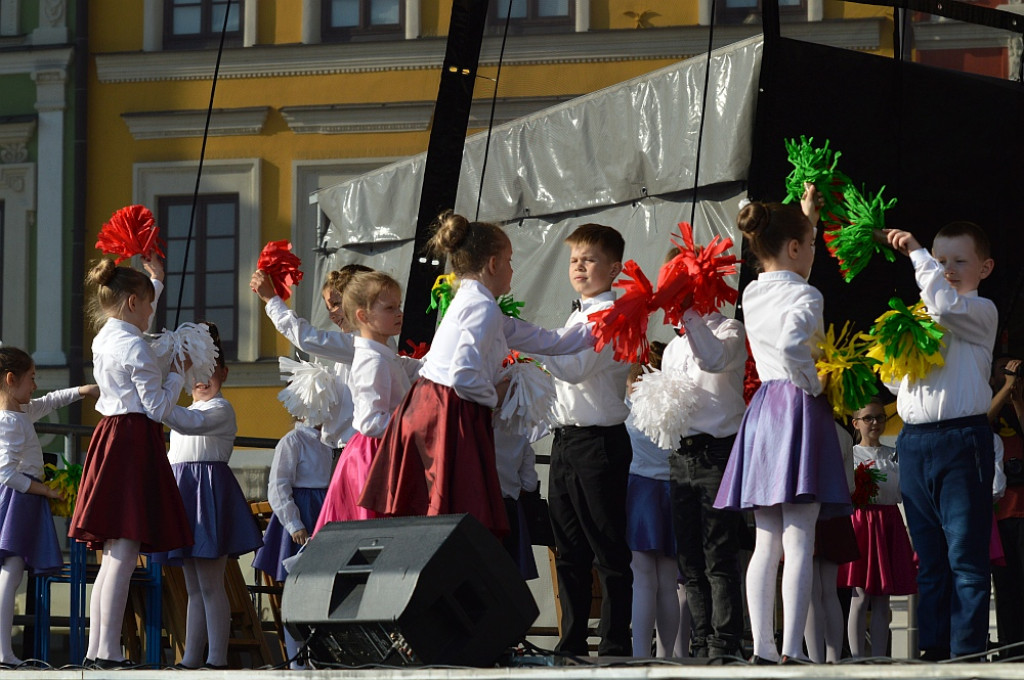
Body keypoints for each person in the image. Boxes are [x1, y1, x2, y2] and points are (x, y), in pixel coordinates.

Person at [359, 210, 595, 538]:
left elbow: (544, 340)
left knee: (448, 517)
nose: (513, 268)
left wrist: (597, 328)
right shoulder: (480, 308)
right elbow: (462, 376)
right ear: (493, 264)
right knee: (455, 520)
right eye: (510, 260)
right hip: (447, 412)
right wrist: (496, 395)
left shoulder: (475, 302)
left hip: (436, 407)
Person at [714, 187, 852, 664]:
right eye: (812, 244)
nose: (815, 253)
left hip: (765, 408)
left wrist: (805, 217)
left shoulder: (752, 291)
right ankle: (793, 648)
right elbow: (796, 345)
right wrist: (816, 383)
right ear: (794, 248)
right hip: (797, 405)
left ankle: (764, 648)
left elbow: (787, 261)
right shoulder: (807, 293)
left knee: (766, 539)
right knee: (799, 536)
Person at [69, 257, 196, 669]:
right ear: (131, 303)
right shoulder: (134, 344)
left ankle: (97, 648)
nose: (151, 314)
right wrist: (177, 373)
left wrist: (155, 282)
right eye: (147, 305)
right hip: (133, 440)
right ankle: (106, 651)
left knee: (112, 555)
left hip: (111, 436)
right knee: (123, 552)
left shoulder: (106, 335)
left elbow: (136, 318)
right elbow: (157, 407)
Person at [883, 222, 997, 660]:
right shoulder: (924, 313)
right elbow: (896, 383)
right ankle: (932, 649)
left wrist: (916, 252)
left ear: (984, 268)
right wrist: (894, 353)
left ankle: (967, 651)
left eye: (957, 261)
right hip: (914, 442)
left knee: (965, 557)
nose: (945, 269)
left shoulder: (978, 310)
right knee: (929, 557)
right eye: (940, 259)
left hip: (961, 439)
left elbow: (947, 307)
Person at [538, 223, 633, 657]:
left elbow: (575, 370)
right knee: (569, 549)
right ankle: (572, 641)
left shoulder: (611, 313)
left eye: (589, 258)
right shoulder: (577, 314)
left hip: (599, 442)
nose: (578, 266)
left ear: (614, 268)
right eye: (574, 259)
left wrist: (531, 343)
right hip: (567, 442)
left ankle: (615, 643)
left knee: (607, 548)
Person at [155, 324, 263, 670]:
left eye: (209, 373)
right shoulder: (185, 408)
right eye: (195, 373)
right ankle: (191, 656)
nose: (201, 380)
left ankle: (216, 658)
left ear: (224, 373)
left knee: (211, 583)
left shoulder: (222, 408)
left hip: (209, 494)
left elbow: (189, 424)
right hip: (184, 493)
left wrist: (155, 401)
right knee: (192, 585)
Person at [660, 260, 748, 660]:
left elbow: (712, 360)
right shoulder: (675, 345)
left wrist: (690, 315)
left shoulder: (729, 330)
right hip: (681, 455)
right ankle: (700, 640)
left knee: (719, 555)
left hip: (717, 454)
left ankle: (724, 643)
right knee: (690, 560)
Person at [0, 347, 96, 667]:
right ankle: (3, 652)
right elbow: (6, 473)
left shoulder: (21, 412)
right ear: (11, 380)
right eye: (31, 378)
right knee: (10, 574)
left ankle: (3, 651)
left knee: (11, 574)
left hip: (22, 500)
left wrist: (83, 391)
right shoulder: (11, 421)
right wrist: (48, 491)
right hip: (17, 500)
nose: (35, 385)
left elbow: (51, 400)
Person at [313, 271, 420, 533]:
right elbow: (370, 421)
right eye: (390, 307)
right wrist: (416, 422)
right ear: (363, 316)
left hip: (381, 451)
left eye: (399, 306)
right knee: (371, 534)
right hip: (373, 458)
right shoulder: (374, 360)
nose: (399, 313)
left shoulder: (382, 355)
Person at [250, 265, 373, 452]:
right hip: (349, 449)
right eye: (328, 307)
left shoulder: (362, 343)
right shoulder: (355, 345)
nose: (332, 314)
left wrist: (271, 299)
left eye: (337, 303)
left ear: (359, 300)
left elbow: (306, 338)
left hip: (359, 449)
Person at [252, 407, 333, 669]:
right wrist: (294, 522)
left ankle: (321, 656)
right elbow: (278, 485)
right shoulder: (292, 441)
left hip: (324, 513)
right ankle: (296, 660)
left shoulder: (330, 442)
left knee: (323, 588)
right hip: (303, 512)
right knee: (294, 589)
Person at [625, 343, 689, 659]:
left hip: (640, 489)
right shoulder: (679, 404)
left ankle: (640, 655)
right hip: (674, 489)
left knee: (643, 579)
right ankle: (666, 656)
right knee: (669, 581)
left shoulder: (630, 404)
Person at [838, 399, 916, 659]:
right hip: (860, 523)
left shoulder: (894, 453)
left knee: (883, 598)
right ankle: (858, 658)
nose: (875, 423)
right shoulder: (851, 453)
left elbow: (903, 491)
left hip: (888, 522)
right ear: (856, 423)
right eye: (869, 418)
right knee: (859, 597)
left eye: (880, 418)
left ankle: (881, 658)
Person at [988, 357, 1024, 660]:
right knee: (1005, 585)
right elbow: (981, 423)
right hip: (1000, 509)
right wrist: (1005, 390)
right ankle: (1010, 647)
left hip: (1023, 507)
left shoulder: (1019, 400)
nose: (1009, 375)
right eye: (1003, 369)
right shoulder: (982, 401)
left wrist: (1018, 397)